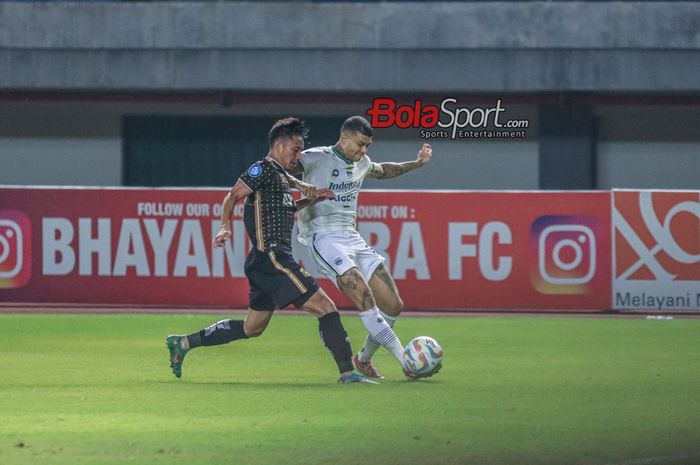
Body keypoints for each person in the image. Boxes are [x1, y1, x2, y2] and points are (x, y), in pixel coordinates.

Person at [166, 117, 376, 384]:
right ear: (279, 146)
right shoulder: (263, 169)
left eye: (301, 150)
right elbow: (232, 195)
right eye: (295, 150)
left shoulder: (280, 178)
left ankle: (183, 343)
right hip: (274, 258)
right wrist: (224, 227)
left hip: (263, 261)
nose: (298, 156)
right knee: (326, 306)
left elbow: (283, 211)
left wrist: (308, 200)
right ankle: (348, 372)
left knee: (251, 327)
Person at [295, 115, 436, 379]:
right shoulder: (316, 157)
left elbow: (384, 170)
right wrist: (297, 186)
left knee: (394, 305)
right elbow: (280, 169)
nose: (364, 150)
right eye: (360, 144)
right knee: (364, 296)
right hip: (324, 238)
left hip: (353, 238)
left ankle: (362, 361)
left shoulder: (362, 163)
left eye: (367, 146)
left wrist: (416, 164)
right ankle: (406, 361)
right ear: (344, 137)